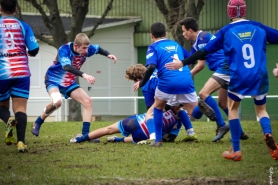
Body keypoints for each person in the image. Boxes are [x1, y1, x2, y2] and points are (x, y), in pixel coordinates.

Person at [165, 0, 278, 161]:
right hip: (259, 75)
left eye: (184, 31)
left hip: (235, 73)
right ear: (244, 12)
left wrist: (182, 64)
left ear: (229, 13)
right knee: (259, 110)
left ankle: (235, 149)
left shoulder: (224, 31)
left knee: (231, 108)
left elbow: (204, 52)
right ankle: (267, 134)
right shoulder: (259, 26)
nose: (183, 33)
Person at [31, 33, 117, 140]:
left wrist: (108, 54)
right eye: (84, 48)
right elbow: (67, 66)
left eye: (87, 48)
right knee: (57, 102)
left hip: (69, 82)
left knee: (88, 101)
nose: (86, 51)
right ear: (76, 46)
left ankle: (86, 135)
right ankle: (38, 122)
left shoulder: (87, 49)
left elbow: (98, 49)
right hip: (53, 80)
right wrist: (84, 75)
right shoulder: (64, 50)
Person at [178, 17, 249, 142]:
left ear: (190, 30)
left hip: (225, 67)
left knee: (203, 94)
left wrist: (187, 75)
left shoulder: (203, 37)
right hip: (226, 69)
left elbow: (200, 65)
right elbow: (193, 61)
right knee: (222, 103)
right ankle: (240, 131)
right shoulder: (196, 44)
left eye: (183, 31)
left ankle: (221, 125)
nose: (183, 34)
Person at [137, 22, 199, 147]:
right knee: (195, 113)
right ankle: (203, 107)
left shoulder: (153, 47)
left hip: (168, 82)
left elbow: (151, 66)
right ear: (166, 34)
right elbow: (193, 58)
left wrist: (142, 82)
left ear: (151, 36)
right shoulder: (176, 44)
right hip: (186, 79)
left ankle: (158, 139)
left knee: (158, 107)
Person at [0, 0, 39, 152]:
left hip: (2, 73)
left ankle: (9, 120)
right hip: (21, 72)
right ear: (15, 9)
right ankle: (21, 143)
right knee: (20, 108)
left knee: (2, 106)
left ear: (0, 8)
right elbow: (34, 49)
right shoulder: (24, 26)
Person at [126, 64, 197, 143]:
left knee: (150, 113)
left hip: (168, 91)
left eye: (134, 80)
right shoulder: (155, 70)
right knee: (177, 108)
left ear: (137, 79)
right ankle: (191, 134)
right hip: (181, 85)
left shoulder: (145, 85)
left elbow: (150, 106)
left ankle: (153, 136)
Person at [70, 106, 182, 144]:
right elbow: (170, 138)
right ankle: (117, 140)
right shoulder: (179, 119)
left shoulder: (163, 102)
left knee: (108, 129)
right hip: (144, 133)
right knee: (140, 137)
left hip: (135, 121)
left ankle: (79, 140)